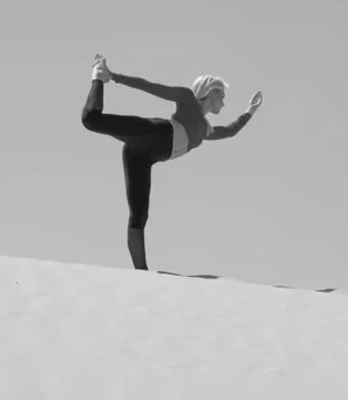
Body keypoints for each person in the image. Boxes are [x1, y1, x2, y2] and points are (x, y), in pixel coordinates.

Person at [81, 54, 263, 270]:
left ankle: (141, 273)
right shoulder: (187, 99)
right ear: (211, 93)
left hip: (143, 156)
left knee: (139, 214)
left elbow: (230, 131)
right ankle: (99, 75)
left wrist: (250, 111)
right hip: (154, 133)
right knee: (91, 120)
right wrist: (115, 77)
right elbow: (153, 87)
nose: (223, 102)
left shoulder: (204, 129)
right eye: (221, 96)